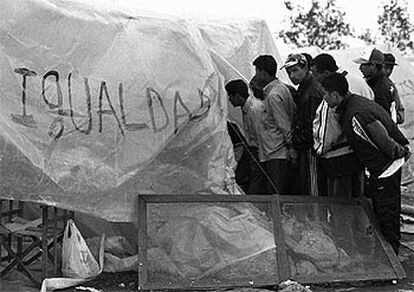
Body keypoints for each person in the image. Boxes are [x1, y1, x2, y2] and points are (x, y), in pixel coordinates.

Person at [320, 72, 411, 254]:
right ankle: (387, 253)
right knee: (385, 211)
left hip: (386, 168)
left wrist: (401, 152)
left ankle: (390, 256)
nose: (323, 98)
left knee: (386, 212)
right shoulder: (355, 104)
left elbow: (383, 141)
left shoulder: (356, 114)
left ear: (335, 95)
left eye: (325, 94)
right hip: (383, 166)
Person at [311, 53, 371, 197]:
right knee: (356, 199)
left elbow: (328, 132)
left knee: (341, 204)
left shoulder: (330, 95)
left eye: (315, 74)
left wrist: (318, 150)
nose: (314, 79)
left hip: (339, 157)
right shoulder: (360, 83)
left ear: (325, 73)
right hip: (358, 154)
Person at [252, 55, 296, 195]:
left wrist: (291, 149)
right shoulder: (280, 89)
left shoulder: (273, 95)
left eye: (257, 72)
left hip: (277, 153)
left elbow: (285, 126)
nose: (256, 76)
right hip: (275, 152)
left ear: (263, 73)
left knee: (277, 195)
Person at [281, 53, 324, 196]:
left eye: (295, 70)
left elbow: (313, 127)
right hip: (306, 146)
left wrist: (294, 141)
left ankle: (317, 218)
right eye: (288, 72)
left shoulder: (311, 92)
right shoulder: (304, 89)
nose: (291, 76)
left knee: (314, 190)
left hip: (312, 148)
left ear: (305, 68)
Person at [225, 79, 267, 195]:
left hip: (259, 151)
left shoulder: (254, 109)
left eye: (230, 96)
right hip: (253, 149)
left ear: (237, 96)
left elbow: (261, 135)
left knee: (257, 180)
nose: (230, 100)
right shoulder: (246, 108)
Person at [353, 48, 395, 116]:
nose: (360, 68)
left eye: (363, 65)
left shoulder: (380, 88)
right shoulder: (382, 82)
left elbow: (382, 117)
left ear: (373, 65)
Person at [383, 53, 405, 124]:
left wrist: (395, 117)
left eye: (391, 68)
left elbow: (400, 109)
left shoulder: (391, 86)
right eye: (386, 67)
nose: (388, 71)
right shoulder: (369, 83)